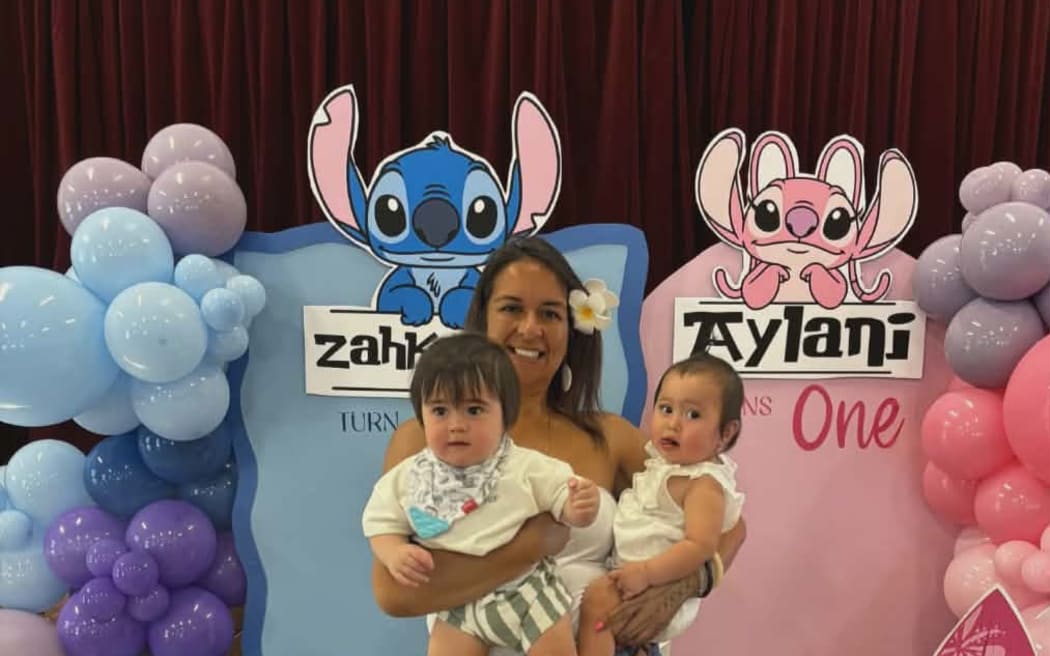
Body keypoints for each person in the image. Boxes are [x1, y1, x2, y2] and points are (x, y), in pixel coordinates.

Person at [371, 236, 747, 653]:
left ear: (572, 329)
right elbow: (395, 594)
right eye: (512, 308)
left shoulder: (610, 436)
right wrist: (529, 548)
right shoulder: (422, 441)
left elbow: (728, 521)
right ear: (482, 319)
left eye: (550, 313)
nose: (531, 328)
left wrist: (684, 583)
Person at [363, 333, 601, 655]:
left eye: (474, 411)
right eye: (440, 411)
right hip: (457, 603)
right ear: (421, 414)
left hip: (528, 593)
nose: (456, 425)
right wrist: (393, 553)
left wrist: (579, 507)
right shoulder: (410, 478)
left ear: (506, 415)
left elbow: (562, 497)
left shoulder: (524, 467)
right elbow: (381, 521)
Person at [577, 353, 746, 655]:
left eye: (693, 415)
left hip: (652, 589)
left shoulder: (703, 484)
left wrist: (648, 573)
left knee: (597, 600)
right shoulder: (662, 468)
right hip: (632, 578)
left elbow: (702, 545)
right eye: (665, 409)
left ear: (726, 432)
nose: (673, 424)